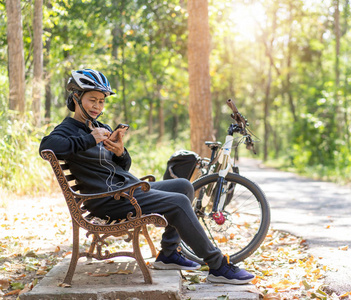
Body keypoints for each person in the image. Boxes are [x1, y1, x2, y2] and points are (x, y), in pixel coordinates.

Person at [39, 69, 254, 285]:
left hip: (124, 190)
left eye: (102, 101)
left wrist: (120, 152)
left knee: (183, 186)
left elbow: (121, 167)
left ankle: (169, 254)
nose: (97, 106)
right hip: (107, 200)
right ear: (76, 98)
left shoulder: (99, 127)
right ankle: (217, 266)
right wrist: (89, 140)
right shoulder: (67, 129)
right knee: (179, 202)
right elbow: (46, 147)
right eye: (92, 100)